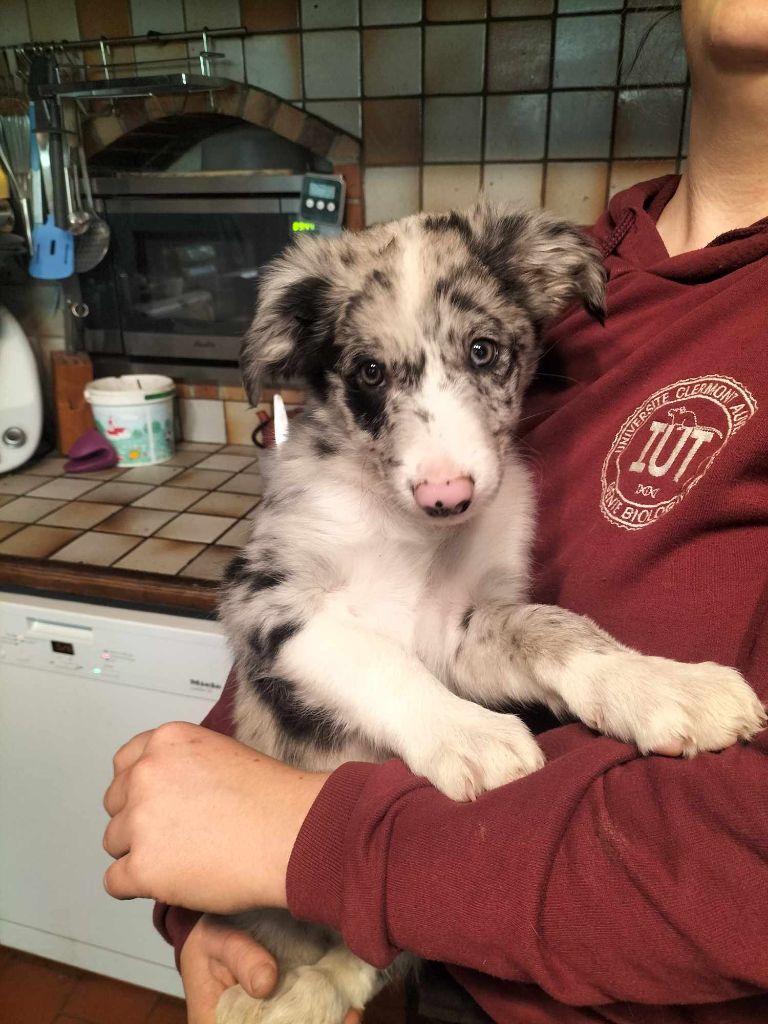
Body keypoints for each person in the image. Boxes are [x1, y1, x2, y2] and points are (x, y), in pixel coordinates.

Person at [102, 1, 768, 1021]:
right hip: (381, 942)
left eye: (487, 359)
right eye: (373, 373)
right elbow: (297, 631)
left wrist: (302, 839)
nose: (446, 479)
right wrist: (221, 861)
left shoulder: (531, 282)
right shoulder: (572, 269)